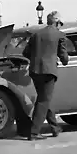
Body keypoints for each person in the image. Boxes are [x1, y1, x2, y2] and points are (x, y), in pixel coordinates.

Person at [22, 10, 69, 141]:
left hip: (35, 71)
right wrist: (62, 59)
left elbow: (25, 53)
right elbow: (64, 58)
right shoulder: (60, 35)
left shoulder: (36, 35)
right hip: (49, 71)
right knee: (43, 100)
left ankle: (55, 127)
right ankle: (34, 132)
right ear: (57, 22)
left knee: (44, 99)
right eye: (61, 23)